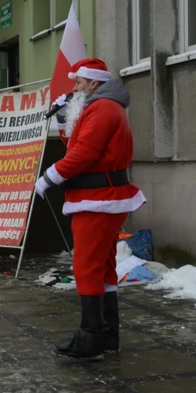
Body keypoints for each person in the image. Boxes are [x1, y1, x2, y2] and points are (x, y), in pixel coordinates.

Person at [35, 58, 147, 359]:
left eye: (78, 83)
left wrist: (48, 178)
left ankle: (91, 335)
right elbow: (78, 144)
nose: (74, 89)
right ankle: (108, 333)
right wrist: (62, 118)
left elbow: (83, 154)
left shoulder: (102, 108)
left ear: (93, 84)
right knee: (104, 266)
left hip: (98, 200)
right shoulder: (103, 108)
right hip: (102, 198)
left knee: (86, 266)